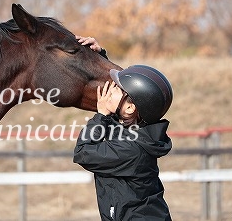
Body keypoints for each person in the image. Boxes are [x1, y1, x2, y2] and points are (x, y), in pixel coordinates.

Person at [74, 36, 173, 220]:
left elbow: (83, 152)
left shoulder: (132, 150)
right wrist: (99, 56)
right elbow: (114, 125)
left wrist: (101, 115)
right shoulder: (134, 132)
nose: (110, 88)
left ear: (130, 108)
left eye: (117, 89)